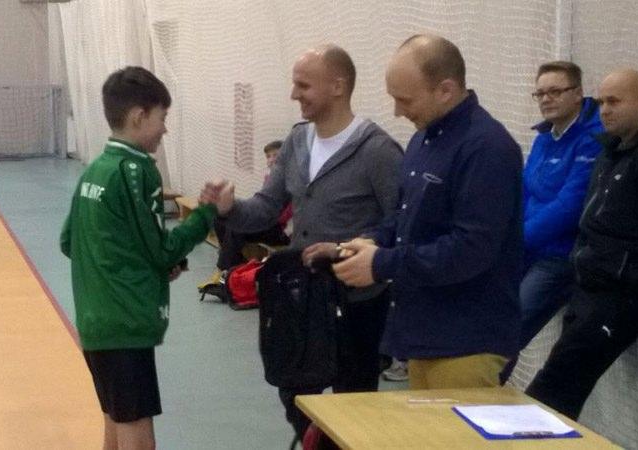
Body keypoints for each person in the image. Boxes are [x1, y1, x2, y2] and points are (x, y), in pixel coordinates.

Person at [202, 44, 403, 445]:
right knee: (294, 389)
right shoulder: (296, 142)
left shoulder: (378, 151)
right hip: (303, 298)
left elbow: (400, 223)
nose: (294, 94)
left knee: (353, 405)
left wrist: (349, 249)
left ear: (337, 87)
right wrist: (229, 208)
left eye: (303, 85)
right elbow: (265, 207)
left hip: (358, 304)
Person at [331, 34, 524, 390]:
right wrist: (373, 240)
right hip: (426, 335)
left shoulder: (487, 148)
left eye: (405, 100)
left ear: (445, 90)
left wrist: (381, 264)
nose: (397, 111)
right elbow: (406, 216)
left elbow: (471, 249)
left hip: (467, 343)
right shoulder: (423, 139)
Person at [60, 66, 216, 450]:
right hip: (125, 321)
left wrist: (148, 265)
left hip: (96, 321)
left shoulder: (95, 169)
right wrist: (207, 214)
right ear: (138, 116)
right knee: (137, 432)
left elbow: (69, 241)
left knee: (116, 420)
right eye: (162, 118)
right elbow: (160, 250)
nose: (165, 129)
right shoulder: (137, 170)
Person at [526, 68, 638, 420]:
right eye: (602, 102)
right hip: (586, 284)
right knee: (559, 388)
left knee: (550, 390)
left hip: (619, 295)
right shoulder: (610, 151)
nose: (604, 110)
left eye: (614, 101)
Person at [517, 61, 604, 350]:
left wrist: (518, 238)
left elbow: (570, 205)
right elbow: (525, 190)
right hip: (527, 247)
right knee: (487, 316)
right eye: (540, 94)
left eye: (555, 91)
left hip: (559, 256)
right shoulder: (544, 137)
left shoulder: (593, 138)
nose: (546, 99)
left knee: (508, 328)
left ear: (577, 94)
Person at [198, 140, 291, 288]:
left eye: (275, 155)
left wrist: (255, 217)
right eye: (268, 156)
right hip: (268, 225)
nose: (271, 159)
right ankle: (232, 265)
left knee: (237, 229)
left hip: (281, 231)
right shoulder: (270, 178)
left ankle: (224, 271)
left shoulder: (291, 180)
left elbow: (281, 214)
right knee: (220, 219)